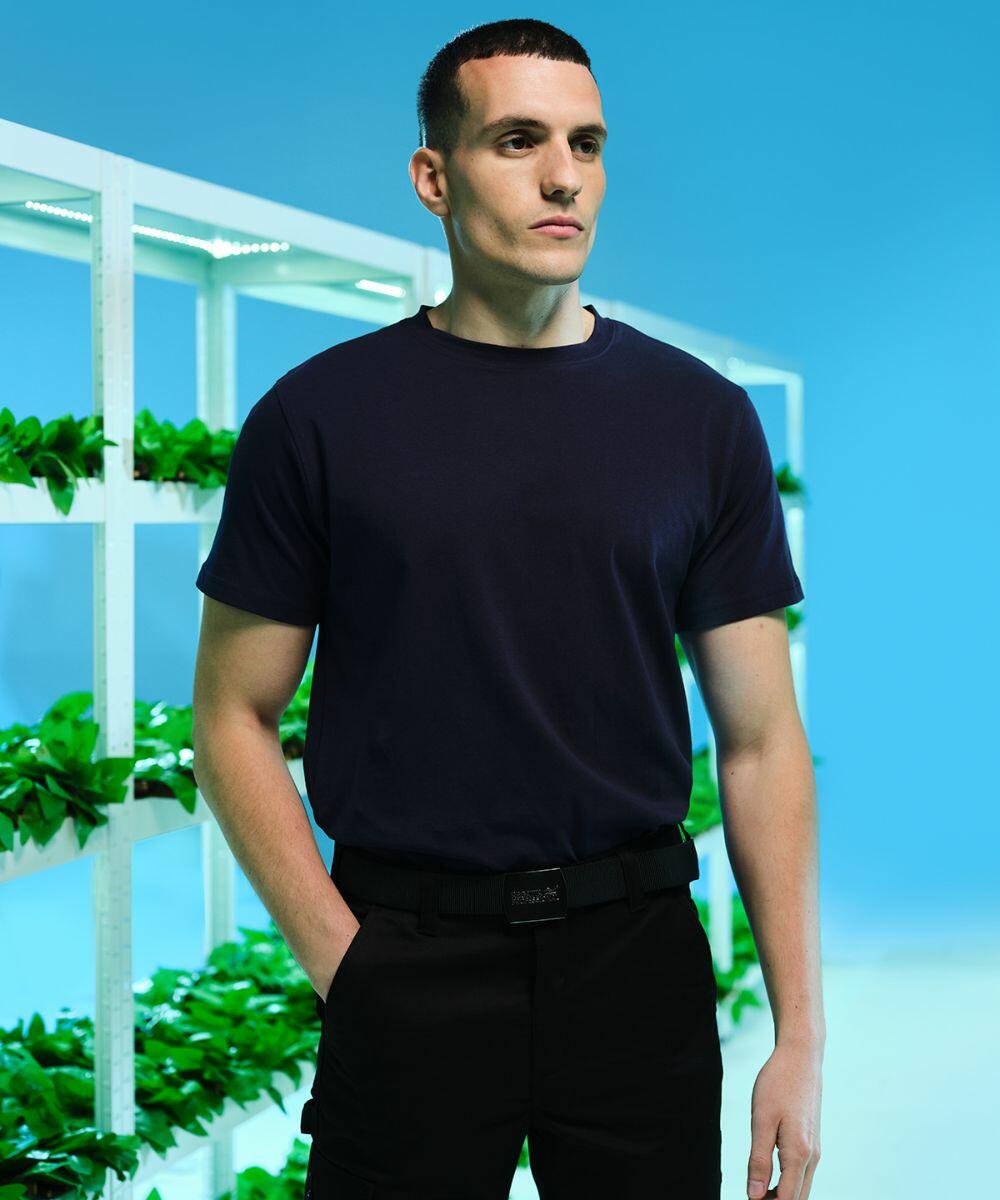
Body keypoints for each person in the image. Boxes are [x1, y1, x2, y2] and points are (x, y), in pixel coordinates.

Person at [192, 17, 824, 1200]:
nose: (561, 177)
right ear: (433, 176)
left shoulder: (697, 420)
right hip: (407, 957)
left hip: (635, 959)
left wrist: (797, 1038)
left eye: (584, 144)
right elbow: (230, 714)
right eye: (517, 140)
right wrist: (346, 964)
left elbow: (759, 739)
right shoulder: (318, 418)